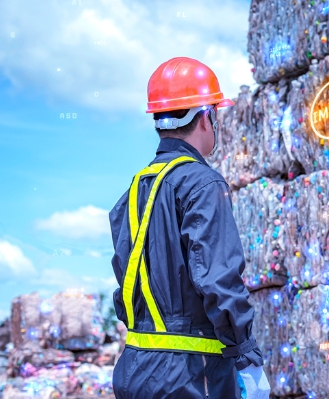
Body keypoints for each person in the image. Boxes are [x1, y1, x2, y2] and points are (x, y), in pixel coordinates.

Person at [109, 57, 270, 398]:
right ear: (204, 117)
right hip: (191, 375)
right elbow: (218, 278)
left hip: (133, 368)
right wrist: (247, 358)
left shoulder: (134, 191)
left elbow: (125, 285)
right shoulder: (202, 183)